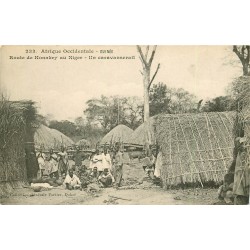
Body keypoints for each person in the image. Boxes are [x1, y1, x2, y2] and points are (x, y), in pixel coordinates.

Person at [233, 137, 250, 205]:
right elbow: (244, 164)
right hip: (242, 173)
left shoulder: (241, 152)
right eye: (243, 144)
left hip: (241, 173)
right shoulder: (242, 153)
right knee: (241, 187)